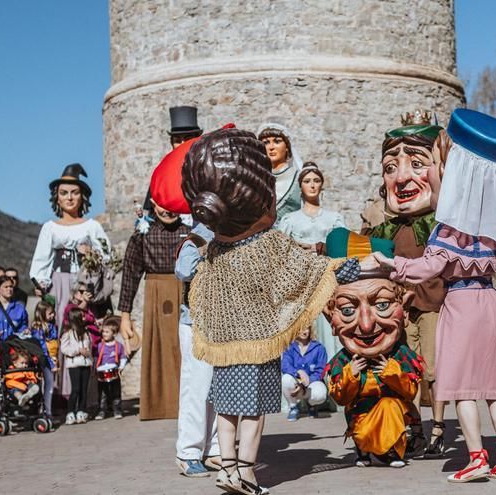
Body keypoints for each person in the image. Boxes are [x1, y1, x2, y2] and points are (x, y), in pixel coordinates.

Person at [373, 109, 496, 482]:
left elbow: (426, 268)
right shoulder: (491, 225)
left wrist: (389, 263)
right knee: (494, 387)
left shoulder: (449, 228)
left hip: (462, 303)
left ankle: (477, 457)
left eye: (431, 163)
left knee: (463, 387)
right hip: (491, 301)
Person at [182, 127, 342, 494]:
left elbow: (196, 283)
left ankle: (225, 469)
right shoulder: (267, 244)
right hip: (258, 339)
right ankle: (247, 472)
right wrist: (346, 266)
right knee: (252, 410)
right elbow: (306, 272)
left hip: (223, 344)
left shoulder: (214, 251)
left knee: (225, 408)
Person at [368, 113, 446, 459]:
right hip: (401, 311)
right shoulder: (388, 229)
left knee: (432, 369)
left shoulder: (441, 226)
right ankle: (414, 427)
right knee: (405, 371)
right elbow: (360, 250)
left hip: (432, 304)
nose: (401, 178)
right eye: (391, 168)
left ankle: (439, 426)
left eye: (416, 163)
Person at [323, 245, 422, 468]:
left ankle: (394, 450)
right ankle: (363, 451)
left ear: (404, 310)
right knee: (357, 413)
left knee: (390, 405)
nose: (366, 326)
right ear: (331, 318)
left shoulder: (401, 356)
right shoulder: (342, 361)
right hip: (360, 416)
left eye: (383, 305)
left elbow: (410, 391)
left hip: (393, 415)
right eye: (348, 309)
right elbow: (341, 399)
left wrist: (391, 371)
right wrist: (351, 374)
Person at [118, 190, 190, 420]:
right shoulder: (143, 235)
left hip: (187, 294)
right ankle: (160, 405)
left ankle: (187, 403)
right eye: (162, 203)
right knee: (160, 347)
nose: (167, 209)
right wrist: (125, 315)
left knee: (184, 348)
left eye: (172, 203)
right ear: (153, 204)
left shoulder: (189, 233)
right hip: (156, 295)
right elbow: (130, 273)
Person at [277, 162, 346, 360]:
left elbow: (342, 246)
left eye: (316, 180)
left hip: (326, 277)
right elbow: (281, 250)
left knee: (327, 322)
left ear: (322, 185)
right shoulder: (290, 219)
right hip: (301, 279)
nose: (312, 185)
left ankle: (331, 374)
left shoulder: (334, 218)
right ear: (301, 186)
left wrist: (319, 247)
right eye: (307, 181)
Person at [30, 163, 111, 328]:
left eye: (74, 193)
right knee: (61, 319)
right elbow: (42, 258)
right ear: (57, 198)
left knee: (86, 321)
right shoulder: (50, 227)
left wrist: (91, 253)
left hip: (86, 281)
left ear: (82, 197)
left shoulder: (92, 226)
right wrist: (40, 283)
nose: (69, 198)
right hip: (59, 282)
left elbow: (107, 254)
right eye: (64, 193)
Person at [174, 220, 220, 477]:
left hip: (220, 323)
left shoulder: (232, 233)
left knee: (216, 387)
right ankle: (188, 451)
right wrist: (207, 249)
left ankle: (212, 448)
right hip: (195, 322)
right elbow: (183, 271)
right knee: (196, 387)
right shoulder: (195, 238)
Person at [0, 275, 28, 422]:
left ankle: (11, 412)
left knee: (12, 382)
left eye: (11, 287)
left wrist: (25, 331)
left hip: (13, 354)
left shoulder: (19, 308)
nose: (9, 289)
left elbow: (23, 326)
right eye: (5, 287)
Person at [257, 122, 305, 222]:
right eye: (266, 142)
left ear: (287, 147)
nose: (271, 147)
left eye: (277, 141)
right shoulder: (256, 178)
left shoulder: (299, 177)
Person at [281, 324, 328, 421]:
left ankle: (311, 405)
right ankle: (293, 407)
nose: (304, 331)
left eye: (306, 328)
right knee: (285, 379)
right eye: (300, 328)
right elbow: (285, 366)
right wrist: (299, 372)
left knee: (321, 394)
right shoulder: (289, 347)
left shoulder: (319, 348)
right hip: (296, 382)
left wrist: (305, 383)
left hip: (312, 382)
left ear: (310, 330)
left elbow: (320, 370)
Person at [60, 306, 92, 426]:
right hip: (74, 365)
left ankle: (82, 411)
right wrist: (78, 350)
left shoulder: (86, 332)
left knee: (84, 390)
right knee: (76, 389)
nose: (85, 317)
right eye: (82, 316)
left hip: (86, 363)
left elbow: (89, 348)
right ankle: (70, 412)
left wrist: (88, 355)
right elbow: (64, 348)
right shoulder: (68, 333)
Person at [29, 300, 58, 417]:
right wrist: (50, 363)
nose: (52, 315)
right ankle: (43, 411)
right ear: (41, 314)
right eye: (50, 313)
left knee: (49, 386)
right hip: (43, 361)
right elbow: (42, 348)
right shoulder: (38, 329)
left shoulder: (50, 326)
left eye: (53, 313)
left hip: (51, 359)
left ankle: (47, 411)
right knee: (45, 386)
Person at [94, 316, 126, 420]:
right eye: (103, 332)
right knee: (103, 393)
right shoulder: (100, 346)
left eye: (107, 332)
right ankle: (102, 411)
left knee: (116, 392)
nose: (104, 334)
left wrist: (121, 367)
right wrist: (95, 368)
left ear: (115, 334)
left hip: (114, 372)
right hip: (102, 374)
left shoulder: (119, 345)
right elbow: (96, 357)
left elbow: (123, 357)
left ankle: (117, 410)